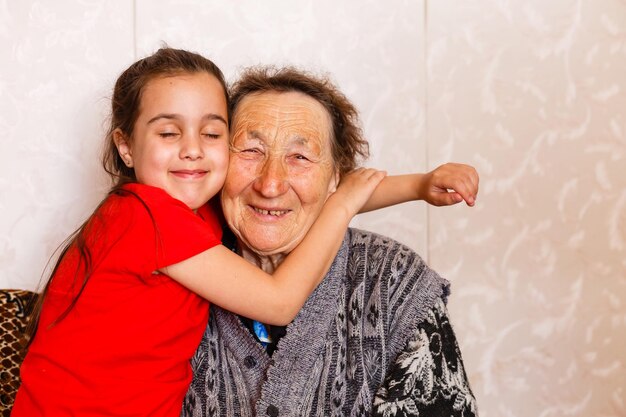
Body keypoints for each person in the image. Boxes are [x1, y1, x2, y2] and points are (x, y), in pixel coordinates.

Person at [12, 48, 388, 417]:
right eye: (169, 133)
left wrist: (420, 186)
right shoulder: (148, 219)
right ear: (126, 146)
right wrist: (343, 207)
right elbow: (279, 302)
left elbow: (317, 194)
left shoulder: (188, 211)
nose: (192, 149)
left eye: (210, 133)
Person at [183, 66, 480, 416]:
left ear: (335, 179)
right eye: (250, 150)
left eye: (300, 157)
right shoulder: (178, 272)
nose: (271, 184)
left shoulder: (392, 280)